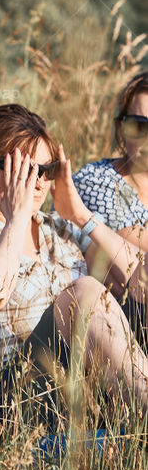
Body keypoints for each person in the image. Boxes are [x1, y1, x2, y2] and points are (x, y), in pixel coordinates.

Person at [0, 103, 148, 419]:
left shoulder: (60, 229)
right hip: (5, 407)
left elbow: (141, 281)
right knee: (84, 293)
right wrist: (16, 220)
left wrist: (82, 216)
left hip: (81, 390)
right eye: (27, 170)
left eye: (48, 170)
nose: (40, 181)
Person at [71, 72, 148, 339]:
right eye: (140, 125)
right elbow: (129, 250)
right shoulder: (96, 180)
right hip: (120, 325)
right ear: (121, 128)